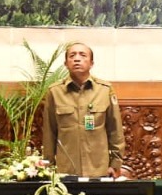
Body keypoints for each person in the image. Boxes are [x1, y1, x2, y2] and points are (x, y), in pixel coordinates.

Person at [41, 42, 125, 177]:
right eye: (72, 55)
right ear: (65, 63)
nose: (77, 59)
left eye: (83, 55)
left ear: (91, 63)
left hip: (99, 169)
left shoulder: (105, 90)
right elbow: (49, 133)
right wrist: (48, 166)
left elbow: (115, 131)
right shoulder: (54, 92)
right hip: (66, 170)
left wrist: (115, 165)